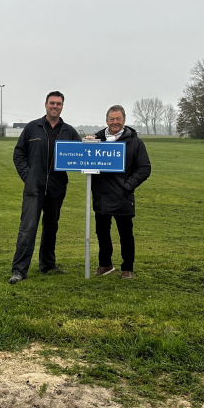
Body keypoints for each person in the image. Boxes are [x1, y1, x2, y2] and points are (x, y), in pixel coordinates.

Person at [9, 91, 81, 284]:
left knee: (51, 227)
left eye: (58, 104)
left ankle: (47, 265)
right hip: (34, 188)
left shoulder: (69, 131)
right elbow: (18, 154)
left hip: (57, 188)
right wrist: (28, 177)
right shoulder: (33, 128)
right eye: (52, 103)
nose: (55, 106)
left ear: (62, 106)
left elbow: (80, 155)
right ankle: (19, 270)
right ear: (46, 105)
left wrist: (90, 143)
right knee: (28, 228)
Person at [88, 105, 151, 279]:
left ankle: (127, 268)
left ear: (124, 120)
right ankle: (105, 264)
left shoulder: (135, 142)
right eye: (111, 119)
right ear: (106, 120)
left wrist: (127, 186)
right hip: (101, 195)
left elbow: (144, 168)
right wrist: (87, 142)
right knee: (102, 232)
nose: (115, 122)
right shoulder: (97, 140)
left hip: (123, 196)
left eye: (118, 119)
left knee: (125, 234)